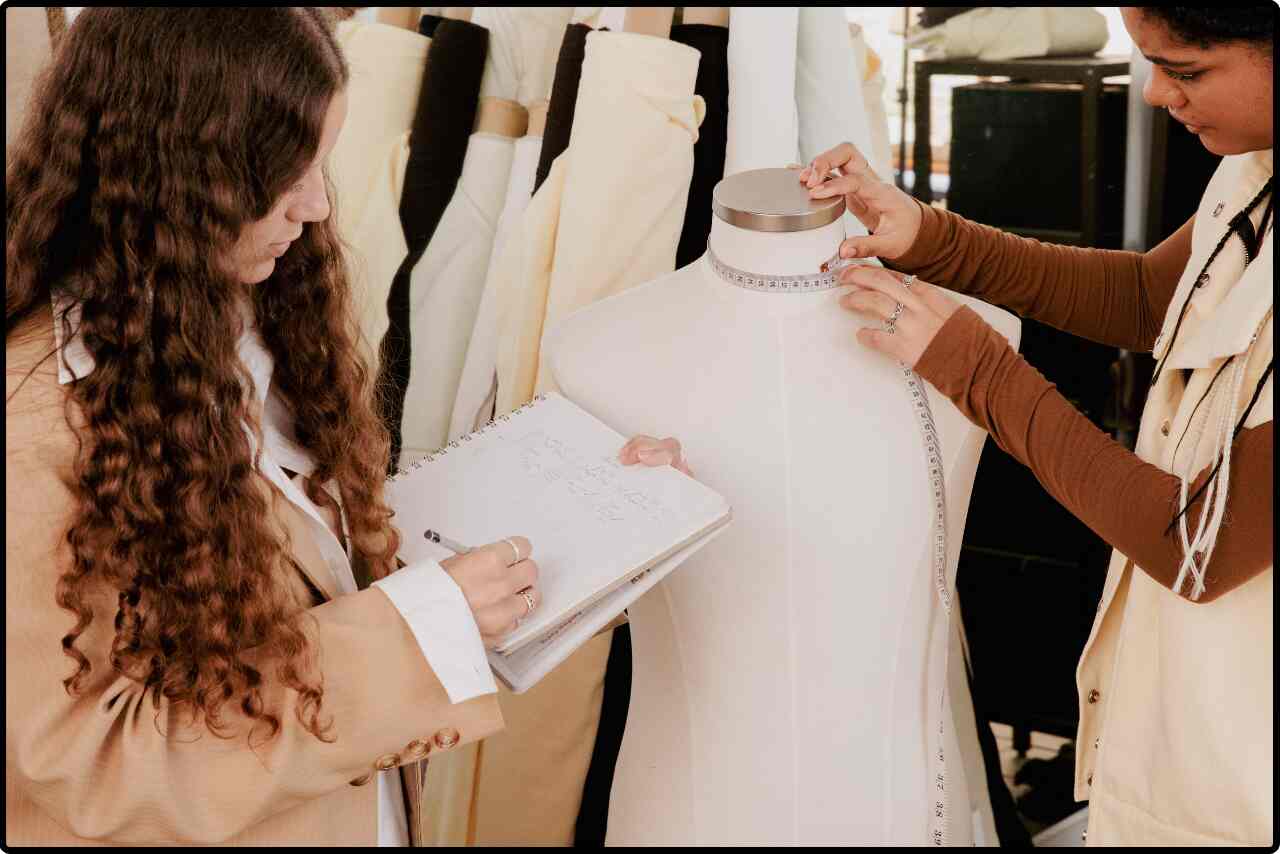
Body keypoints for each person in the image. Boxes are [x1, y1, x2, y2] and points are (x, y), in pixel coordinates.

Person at [4, 8, 686, 845]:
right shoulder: (34, 426)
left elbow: (312, 584)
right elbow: (95, 764)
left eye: (323, 161)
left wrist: (585, 510)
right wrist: (419, 630)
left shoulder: (245, 326)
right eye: (287, 171)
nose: (318, 204)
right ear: (179, 169)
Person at [798, 5, 1272, 846]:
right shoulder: (1255, 169)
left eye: (1188, 71)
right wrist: (929, 237)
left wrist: (975, 369)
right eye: (1149, 62)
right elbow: (1145, 297)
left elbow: (1200, 545)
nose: (1157, 94)